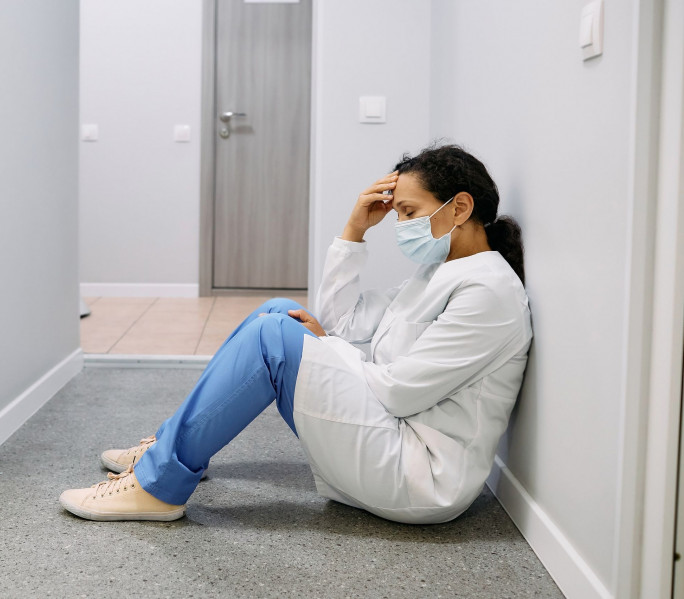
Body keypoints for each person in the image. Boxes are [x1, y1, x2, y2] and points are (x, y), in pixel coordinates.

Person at [60, 144, 533, 524]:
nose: (402, 226)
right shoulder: (441, 272)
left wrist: (326, 346)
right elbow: (344, 324)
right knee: (280, 312)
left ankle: (158, 488)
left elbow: (401, 392)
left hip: (420, 473)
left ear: (460, 207)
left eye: (409, 212)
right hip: (393, 431)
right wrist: (353, 230)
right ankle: (169, 446)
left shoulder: (486, 290)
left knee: (274, 336)